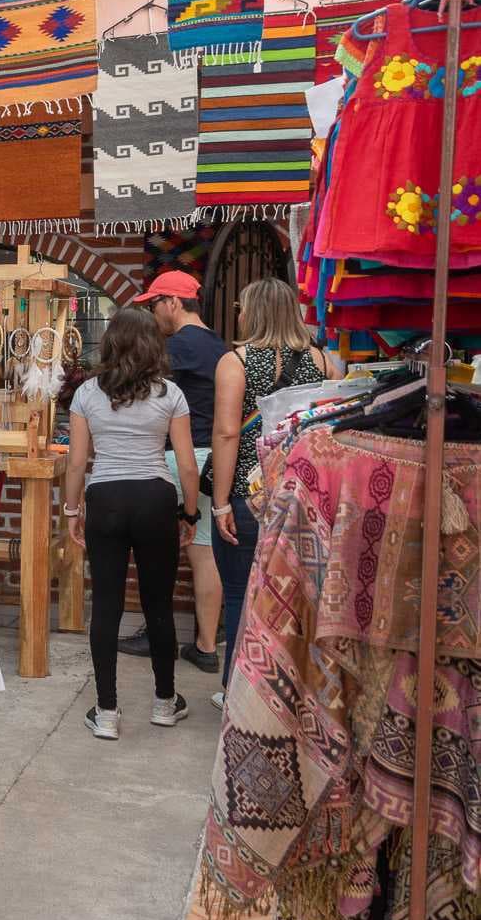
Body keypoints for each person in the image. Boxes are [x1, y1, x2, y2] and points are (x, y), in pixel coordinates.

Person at [64, 307, 200, 741]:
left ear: (110, 343)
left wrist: (71, 511)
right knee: (157, 603)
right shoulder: (171, 394)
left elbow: (76, 462)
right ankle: (164, 703)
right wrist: (190, 512)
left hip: (105, 498)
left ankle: (106, 711)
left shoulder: (87, 392)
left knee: (106, 605)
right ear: (152, 346)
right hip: (154, 497)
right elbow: (186, 465)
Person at [209, 278, 336, 709]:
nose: (238, 313)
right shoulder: (325, 363)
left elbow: (228, 433)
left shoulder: (236, 361)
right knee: (299, 603)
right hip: (304, 498)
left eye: (242, 306)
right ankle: (289, 696)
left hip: (249, 493)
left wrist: (221, 500)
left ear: (256, 311)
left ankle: (238, 694)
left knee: (238, 594)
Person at [117, 271, 226, 674]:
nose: (153, 313)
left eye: (154, 304)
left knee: (158, 553)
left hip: (180, 457)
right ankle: (206, 645)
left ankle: (156, 634)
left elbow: (141, 395)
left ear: (174, 303)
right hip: (213, 457)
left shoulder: (177, 348)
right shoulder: (218, 345)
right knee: (204, 551)